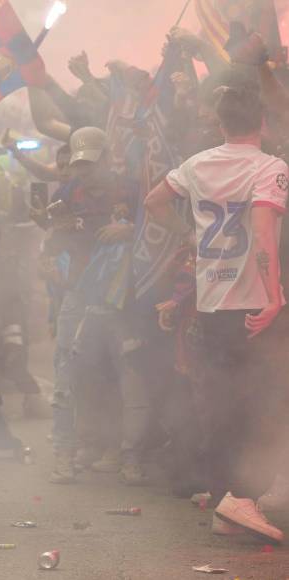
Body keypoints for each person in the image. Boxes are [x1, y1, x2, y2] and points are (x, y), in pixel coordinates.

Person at [145, 85, 287, 543]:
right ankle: (241, 499)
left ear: (220, 124)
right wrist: (273, 296)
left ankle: (229, 502)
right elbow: (264, 228)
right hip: (252, 306)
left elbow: (153, 202)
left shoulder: (197, 164)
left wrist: (188, 232)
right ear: (262, 124)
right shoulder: (271, 168)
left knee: (223, 404)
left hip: (211, 305)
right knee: (263, 404)